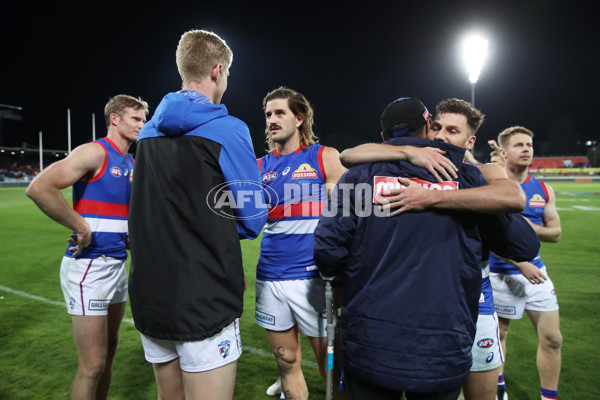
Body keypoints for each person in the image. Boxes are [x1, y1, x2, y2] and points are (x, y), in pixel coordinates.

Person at [314, 97, 540, 400]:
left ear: (383, 138)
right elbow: (523, 245)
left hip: (372, 340)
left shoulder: (358, 175)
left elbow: (328, 246)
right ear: (427, 129)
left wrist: (340, 283)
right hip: (443, 344)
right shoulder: (468, 178)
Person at [127, 29, 267, 400]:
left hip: (150, 294)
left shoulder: (145, 134)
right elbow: (252, 220)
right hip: (204, 296)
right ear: (217, 70)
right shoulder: (229, 129)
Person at [25, 94, 149, 400]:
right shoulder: (95, 152)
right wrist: (79, 225)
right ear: (115, 118)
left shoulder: (132, 163)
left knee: (108, 354)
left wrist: (130, 235)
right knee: (92, 365)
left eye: (144, 119)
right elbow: (39, 187)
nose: (141, 124)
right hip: (89, 267)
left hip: (117, 266)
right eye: (136, 118)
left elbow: (121, 215)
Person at [255, 87, 347, 400]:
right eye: (268, 114)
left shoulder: (324, 156)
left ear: (299, 118)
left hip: (315, 279)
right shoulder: (258, 168)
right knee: (286, 360)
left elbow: (347, 213)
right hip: (271, 277)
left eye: (279, 113)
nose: (272, 120)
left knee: (331, 366)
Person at [489, 126, 562, 400]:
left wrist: (529, 229)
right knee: (501, 335)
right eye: (519, 145)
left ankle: (548, 397)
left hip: (537, 273)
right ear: (504, 153)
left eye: (529, 144)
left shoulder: (543, 188)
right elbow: (489, 238)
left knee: (553, 339)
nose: (527, 149)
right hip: (501, 275)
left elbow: (555, 232)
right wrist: (520, 263)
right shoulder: (494, 187)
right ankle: (499, 389)